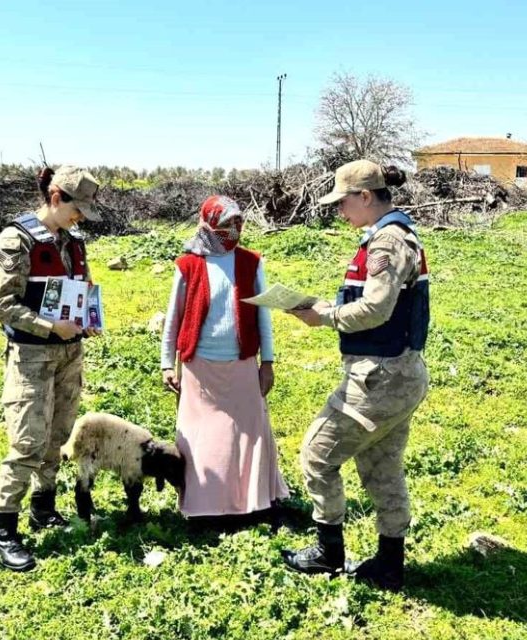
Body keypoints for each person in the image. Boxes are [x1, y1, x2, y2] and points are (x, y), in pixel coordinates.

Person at [281, 160, 430, 591]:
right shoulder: (396, 234)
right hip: (399, 374)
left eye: (343, 202)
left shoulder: (385, 241)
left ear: (365, 196)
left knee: (317, 454)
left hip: (379, 378)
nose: (340, 212)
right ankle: (389, 563)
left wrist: (326, 318)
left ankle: (329, 553)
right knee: (382, 465)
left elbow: (377, 308)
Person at [0, 165, 103, 572]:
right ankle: (4, 531)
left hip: (70, 355)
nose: (81, 217)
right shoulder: (15, 240)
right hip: (33, 356)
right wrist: (51, 327)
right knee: (27, 442)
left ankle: (43, 506)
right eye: (77, 208)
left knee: (58, 434)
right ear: (56, 198)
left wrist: (88, 318)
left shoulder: (73, 242)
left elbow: (81, 290)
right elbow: (2, 305)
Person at [161, 195, 290, 522]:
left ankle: (251, 502)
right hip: (199, 366)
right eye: (228, 223)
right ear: (210, 225)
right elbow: (173, 319)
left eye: (239, 222)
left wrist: (268, 362)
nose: (236, 229)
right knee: (204, 435)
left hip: (242, 362)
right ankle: (205, 507)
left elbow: (263, 316)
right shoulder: (188, 264)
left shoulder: (250, 262)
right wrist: (166, 363)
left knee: (249, 430)